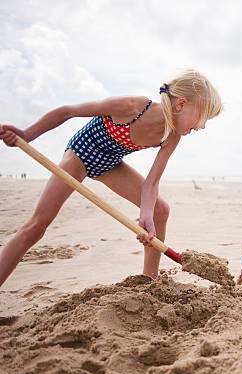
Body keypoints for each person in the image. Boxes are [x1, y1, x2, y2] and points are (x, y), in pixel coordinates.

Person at [0, 69, 223, 287]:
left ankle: (149, 281)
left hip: (110, 164)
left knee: (159, 210)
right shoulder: (133, 107)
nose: (201, 126)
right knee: (36, 226)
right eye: (202, 118)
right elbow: (67, 111)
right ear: (181, 104)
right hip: (80, 153)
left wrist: (146, 216)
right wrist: (27, 134)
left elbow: (151, 182)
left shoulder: (171, 136)